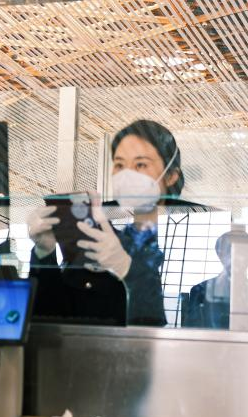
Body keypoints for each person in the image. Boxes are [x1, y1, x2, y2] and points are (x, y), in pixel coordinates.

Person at [28, 119, 184, 326]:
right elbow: (50, 313)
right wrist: (44, 252)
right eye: (119, 164)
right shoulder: (100, 240)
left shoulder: (149, 246)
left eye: (140, 164)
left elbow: (149, 324)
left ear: (171, 176)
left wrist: (125, 268)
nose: (127, 175)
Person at [183, 230, 248, 331]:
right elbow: (191, 334)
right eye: (233, 251)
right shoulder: (200, 291)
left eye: (245, 252)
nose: (239, 257)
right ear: (220, 255)